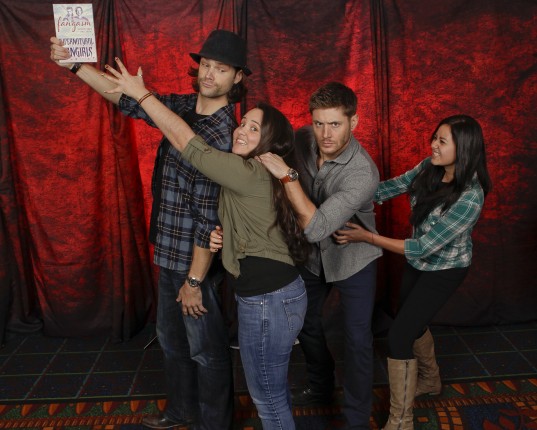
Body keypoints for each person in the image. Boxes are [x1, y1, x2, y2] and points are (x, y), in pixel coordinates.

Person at [50, 29, 250, 430]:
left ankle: (215, 424)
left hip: (197, 261)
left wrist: (194, 280)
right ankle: (181, 412)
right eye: (205, 64)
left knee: (206, 350)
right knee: (173, 343)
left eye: (221, 68)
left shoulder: (221, 135)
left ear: (238, 77)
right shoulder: (186, 107)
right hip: (170, 251)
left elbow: (208, 217)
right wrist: (74, 65)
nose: (209, 74)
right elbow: (127, 99)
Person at [101, 57, 311, 430]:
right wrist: (221, 238)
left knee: (268, 399)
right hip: (270, 294)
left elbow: (189, 144)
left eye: (253, 128)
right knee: (270, 393)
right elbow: (242, 226)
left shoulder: (246, 170)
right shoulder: (254, 170)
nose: (240, 131)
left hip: (270, 299)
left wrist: (143, 94)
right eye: (243, 124)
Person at [332, 115, 492, 430]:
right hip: (418, 264)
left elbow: (421, 247)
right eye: (435, 138)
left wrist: (367, 237)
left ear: (464, 148)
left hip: (445, 268)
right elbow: (390, 188)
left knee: (399, 335)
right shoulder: (430, 167)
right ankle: (431, 380)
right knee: (409, 321)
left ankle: (401, 420)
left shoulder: (471, 196)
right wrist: (345, 196)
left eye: (442, 141)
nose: (433, 145)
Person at [257, 82, 382, 430]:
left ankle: (356, 420)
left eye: (335, 124)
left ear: (354, 122)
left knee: (357, 341)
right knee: (304, 323)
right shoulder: (302, 139)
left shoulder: (363, 172)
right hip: (312, 257)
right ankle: (321, 387)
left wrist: (288, 177)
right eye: (319, 123)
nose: (326, 134)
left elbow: (316, 227)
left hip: (354, 258)